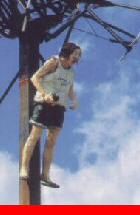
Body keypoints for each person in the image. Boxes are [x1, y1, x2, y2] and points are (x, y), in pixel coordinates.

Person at [19, 42, 82, 188]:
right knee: (35, 136)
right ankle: (24, 168)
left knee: (51, 142)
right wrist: (44, 94)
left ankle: (45, 174)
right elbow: (35, 78)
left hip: (59, 107)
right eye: (75, 54)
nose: (77, 58)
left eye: (78, 56)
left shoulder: (71, 72)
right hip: (44, 103)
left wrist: (74, 99)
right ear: (67, 54)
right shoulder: (53, 62)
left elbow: (69, 88)